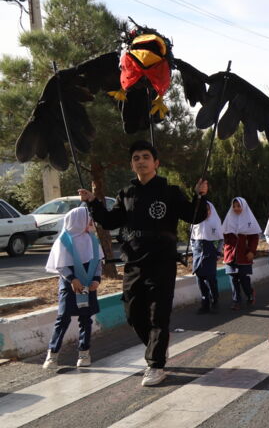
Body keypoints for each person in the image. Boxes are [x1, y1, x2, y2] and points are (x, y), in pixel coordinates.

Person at [80, 140, 209, 387]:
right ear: (132, 164)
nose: (141, 161)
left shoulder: (170, 192)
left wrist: (200, 196)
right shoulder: (126, 194)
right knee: (133, 313)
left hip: (162, 261)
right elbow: (109, 221)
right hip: (134, 263)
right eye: (136, 157)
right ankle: (157, 347)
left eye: (146, 157)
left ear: (156, 163)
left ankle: (156, 364)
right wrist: (93, 202)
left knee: (158, 314)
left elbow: (195, 215)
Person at [42, 207, 101, 370]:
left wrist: (96, 279)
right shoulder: (63, 241)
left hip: (88, 286)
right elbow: (60, 265)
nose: (91, 222)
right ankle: (52, 355)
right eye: (88, 219)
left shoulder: (92, 239)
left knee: (85, 319)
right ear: (78, 220)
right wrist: (72, 280)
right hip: (70, 287)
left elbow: (97, 262)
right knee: (63, 319)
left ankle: (84, 353)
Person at [222, 197, 262, 310]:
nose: (236, 208)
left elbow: (254, 237)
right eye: (234, 206)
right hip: (230, 255)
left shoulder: (249, 219)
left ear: (243, 206)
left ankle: (249, 293)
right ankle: (236, 301)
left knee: (243, 278)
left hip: (244, 255)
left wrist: (252, 251)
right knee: (233, 278)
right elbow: (223, 236)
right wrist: (224, 248)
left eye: (238, 206)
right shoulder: (229, 219)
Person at [191, 202, 223, 314]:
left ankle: (215, 298)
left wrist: (218, 252)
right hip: (198, 254)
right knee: (200, 279)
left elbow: (220, 239)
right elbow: (192, 239)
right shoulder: (195, 223)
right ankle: (205, 302)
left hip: (210, 255)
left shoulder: (215, 222)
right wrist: (194, 250)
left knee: (211, 279)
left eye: (207, 210)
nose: (205, 213)